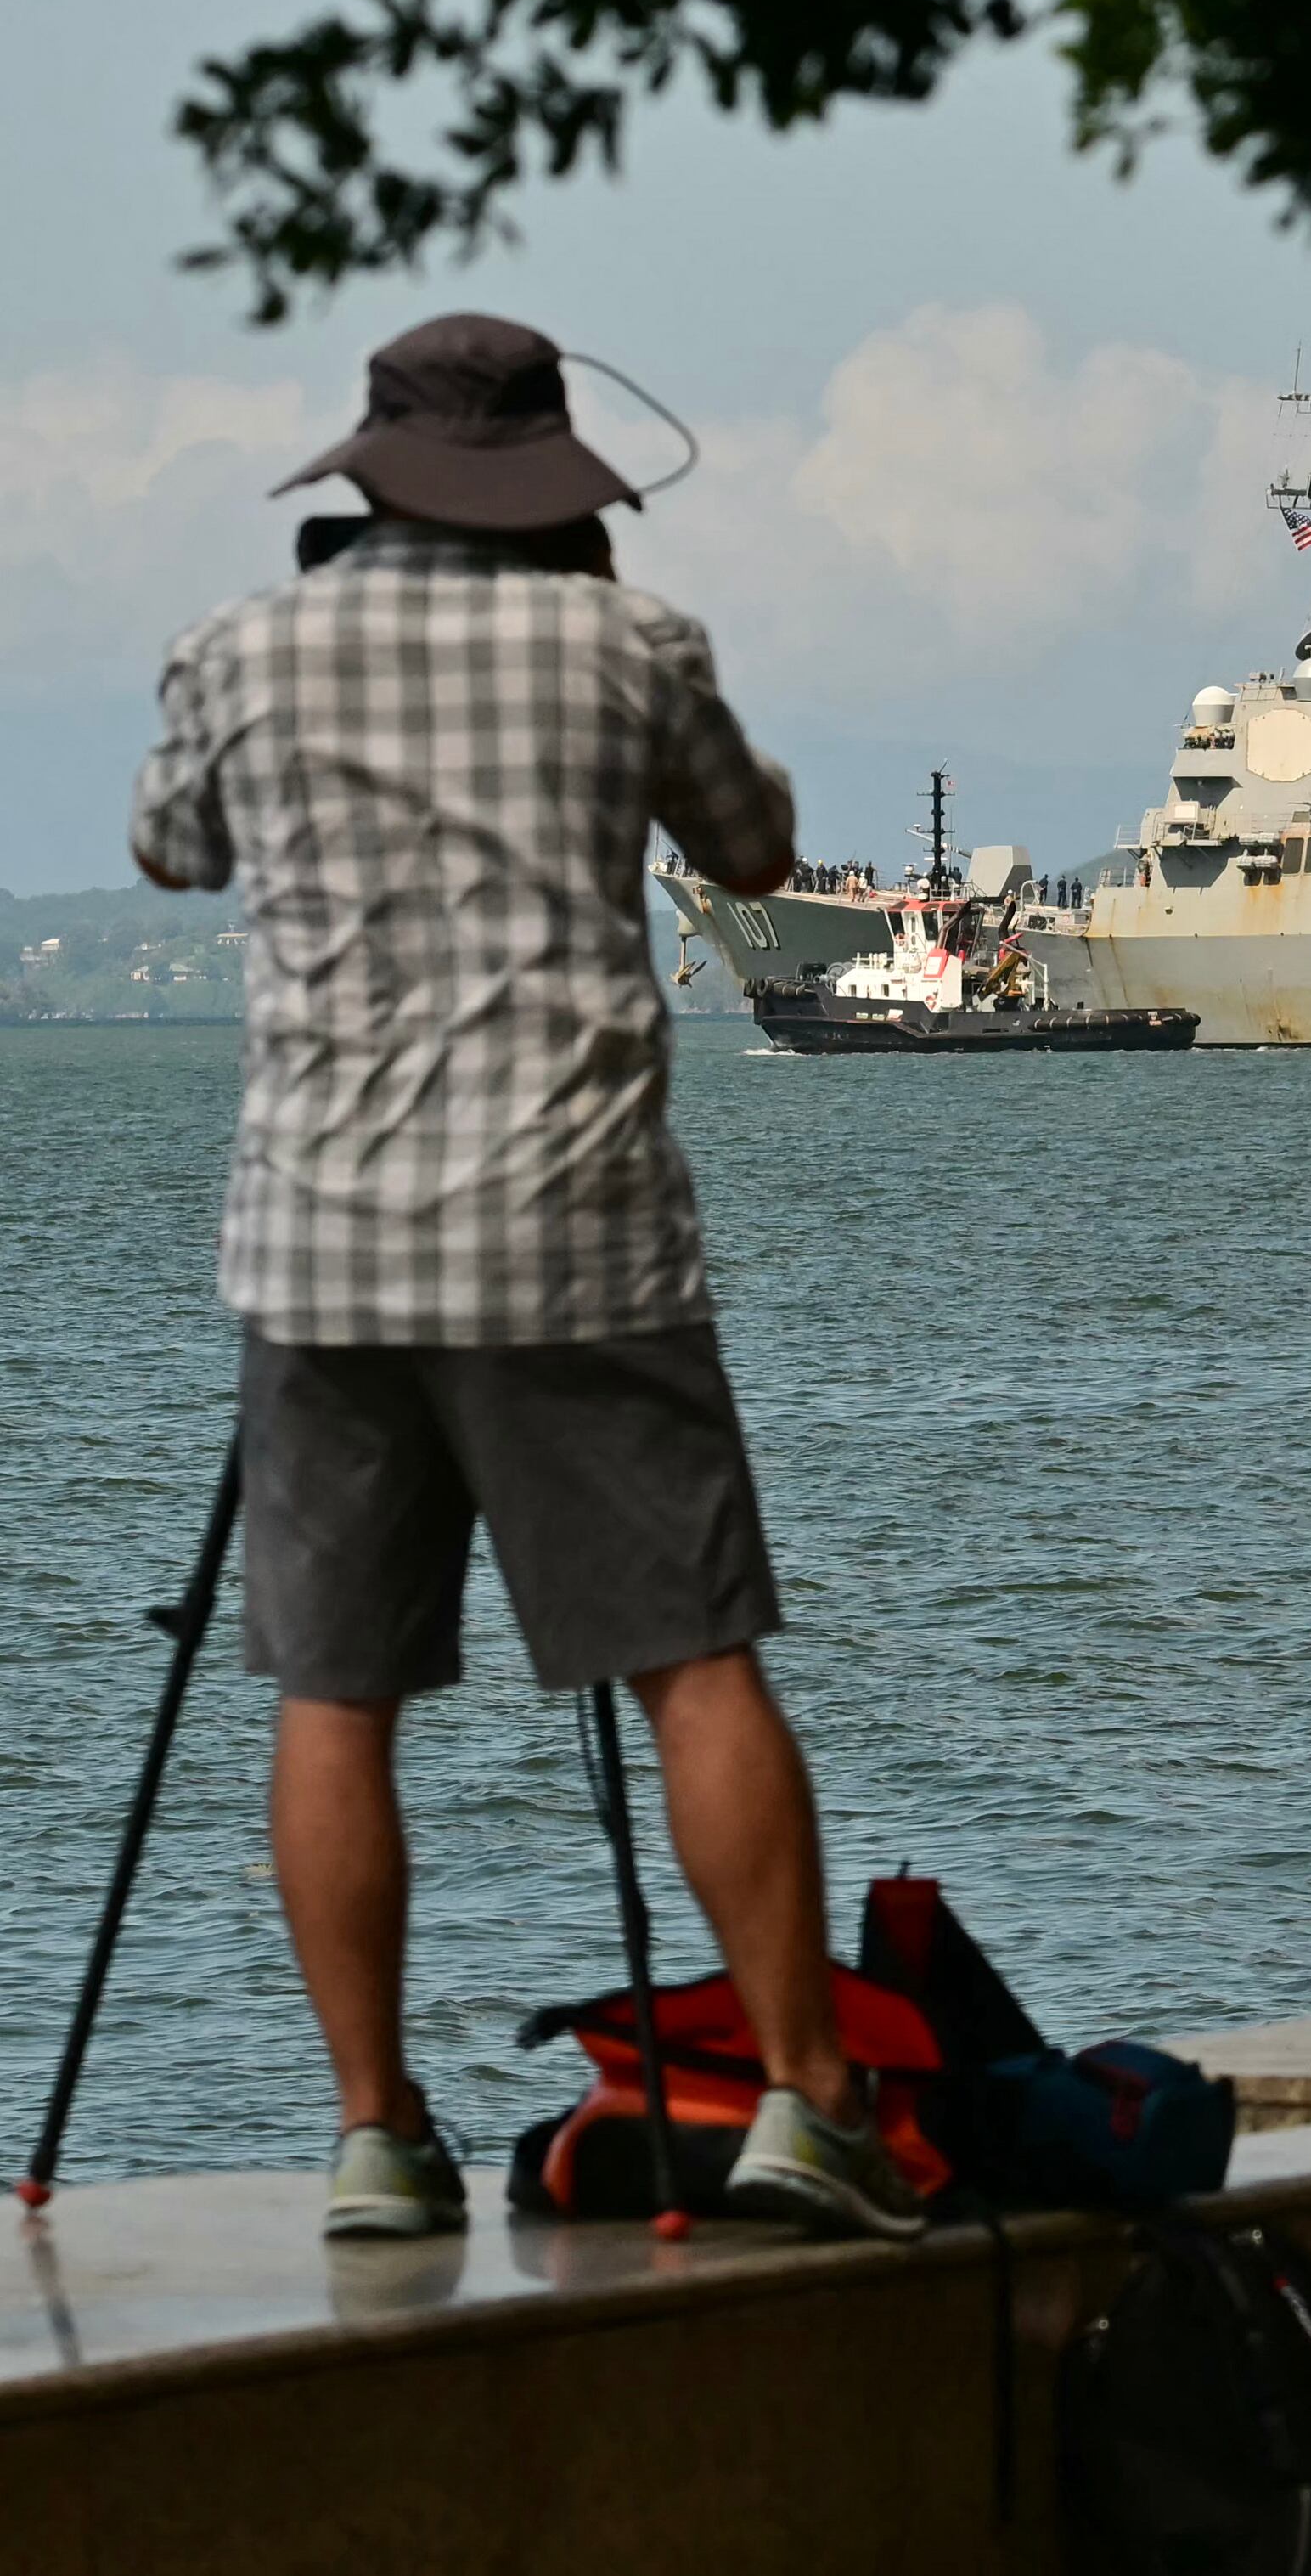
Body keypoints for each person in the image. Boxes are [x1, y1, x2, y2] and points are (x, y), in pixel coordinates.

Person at [127, 313, 920, 2245]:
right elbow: (757, 846)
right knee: (693, 1663)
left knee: (335, 1694)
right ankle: (810, 2098)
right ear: (556, 486)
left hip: (321, 1251)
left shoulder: (246, 647)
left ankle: (376, 2135)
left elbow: (168, 846)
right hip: (578, 1243)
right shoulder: (628, 646)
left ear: (372, 470)